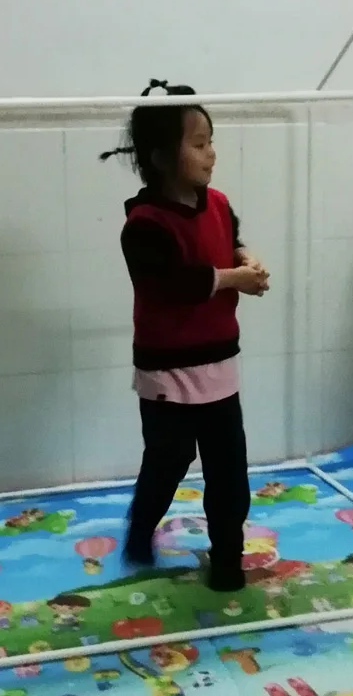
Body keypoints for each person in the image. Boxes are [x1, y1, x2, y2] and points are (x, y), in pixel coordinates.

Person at [100, 78, 269, 592]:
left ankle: (228, 560)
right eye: (198, 144)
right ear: (160, 157)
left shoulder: (218, 203)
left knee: (229, 469)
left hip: (219, 364)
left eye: (210, 141)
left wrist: (245, 259)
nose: (211, 153)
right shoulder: (144, 225)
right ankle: (140, 532)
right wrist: (235, 279)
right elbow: (177, 284)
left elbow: (229, 242)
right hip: (167, 369)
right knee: (169, 460)